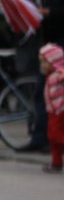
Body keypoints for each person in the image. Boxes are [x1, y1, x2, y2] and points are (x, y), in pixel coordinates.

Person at [24, 0, 64, 153]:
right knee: (45, 91)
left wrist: (48, 12)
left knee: (51, 92)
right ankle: (44, 138)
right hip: (53, 43)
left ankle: (50, 139)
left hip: (60, 46)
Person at [38, 40, 64, 172]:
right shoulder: (50, 76)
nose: (42, 65)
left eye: (44, 62)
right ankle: (56, 163)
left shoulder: (58, 74)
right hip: (52, 110)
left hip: (60, 109)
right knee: (52, 138)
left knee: (55, 135)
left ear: (54, 61)